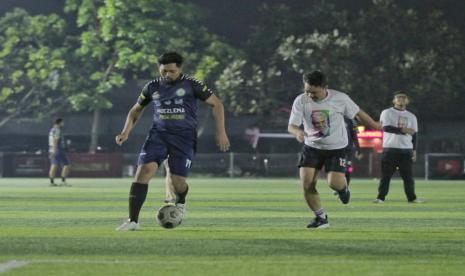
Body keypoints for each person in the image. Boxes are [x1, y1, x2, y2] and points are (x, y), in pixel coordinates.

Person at [115, 52, 230, 231]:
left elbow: (217, 104)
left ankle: (181, 200)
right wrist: (125, 132)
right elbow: (136, 110)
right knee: (143, 172)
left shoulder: (193, 85)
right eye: (164, 71)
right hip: (158, 136)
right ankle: (133, 221)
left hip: (184, 138)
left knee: (177, 183)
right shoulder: (151, 87)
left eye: (171, 71)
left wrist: (221, 132)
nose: (167, 75)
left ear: (180, 69)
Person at [288, 70, 381, 229]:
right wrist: (298, 132)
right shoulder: (301, 100)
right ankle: (321, 218)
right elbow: (292, 125)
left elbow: (358, 114)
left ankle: (343, 189)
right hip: (312, 147)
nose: (309, 95)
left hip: (337, 148)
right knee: (307, 184)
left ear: (325, 87)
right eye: (307, 91)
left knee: (334, 184)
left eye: (314, 92)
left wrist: (376, 125)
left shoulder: (340, 98)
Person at [373, 91, 422, 203]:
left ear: (407, 101)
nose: (401, 99)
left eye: (404, 98)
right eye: (398, 97)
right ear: (394, 101)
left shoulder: (412, 116)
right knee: (386, 176)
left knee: (408, 177)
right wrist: (403, 130)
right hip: (390, 148)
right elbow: (385, 128)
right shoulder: (387, 112)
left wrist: (414, 150)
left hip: (407, 150)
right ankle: (380, 198)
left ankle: (412, 198)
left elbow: (415, 135)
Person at [48, 118, 70, 186]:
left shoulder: (52, 130)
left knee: (54, 165)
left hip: (51, 149)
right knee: (66, 165)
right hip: (58, 149)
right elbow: (55, 140)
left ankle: (52, 182)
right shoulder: (57, 130)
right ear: (59, 123)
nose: (63, 124)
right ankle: (63, 182)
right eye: (62, 122)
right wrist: (55, 150)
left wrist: (53, 150)